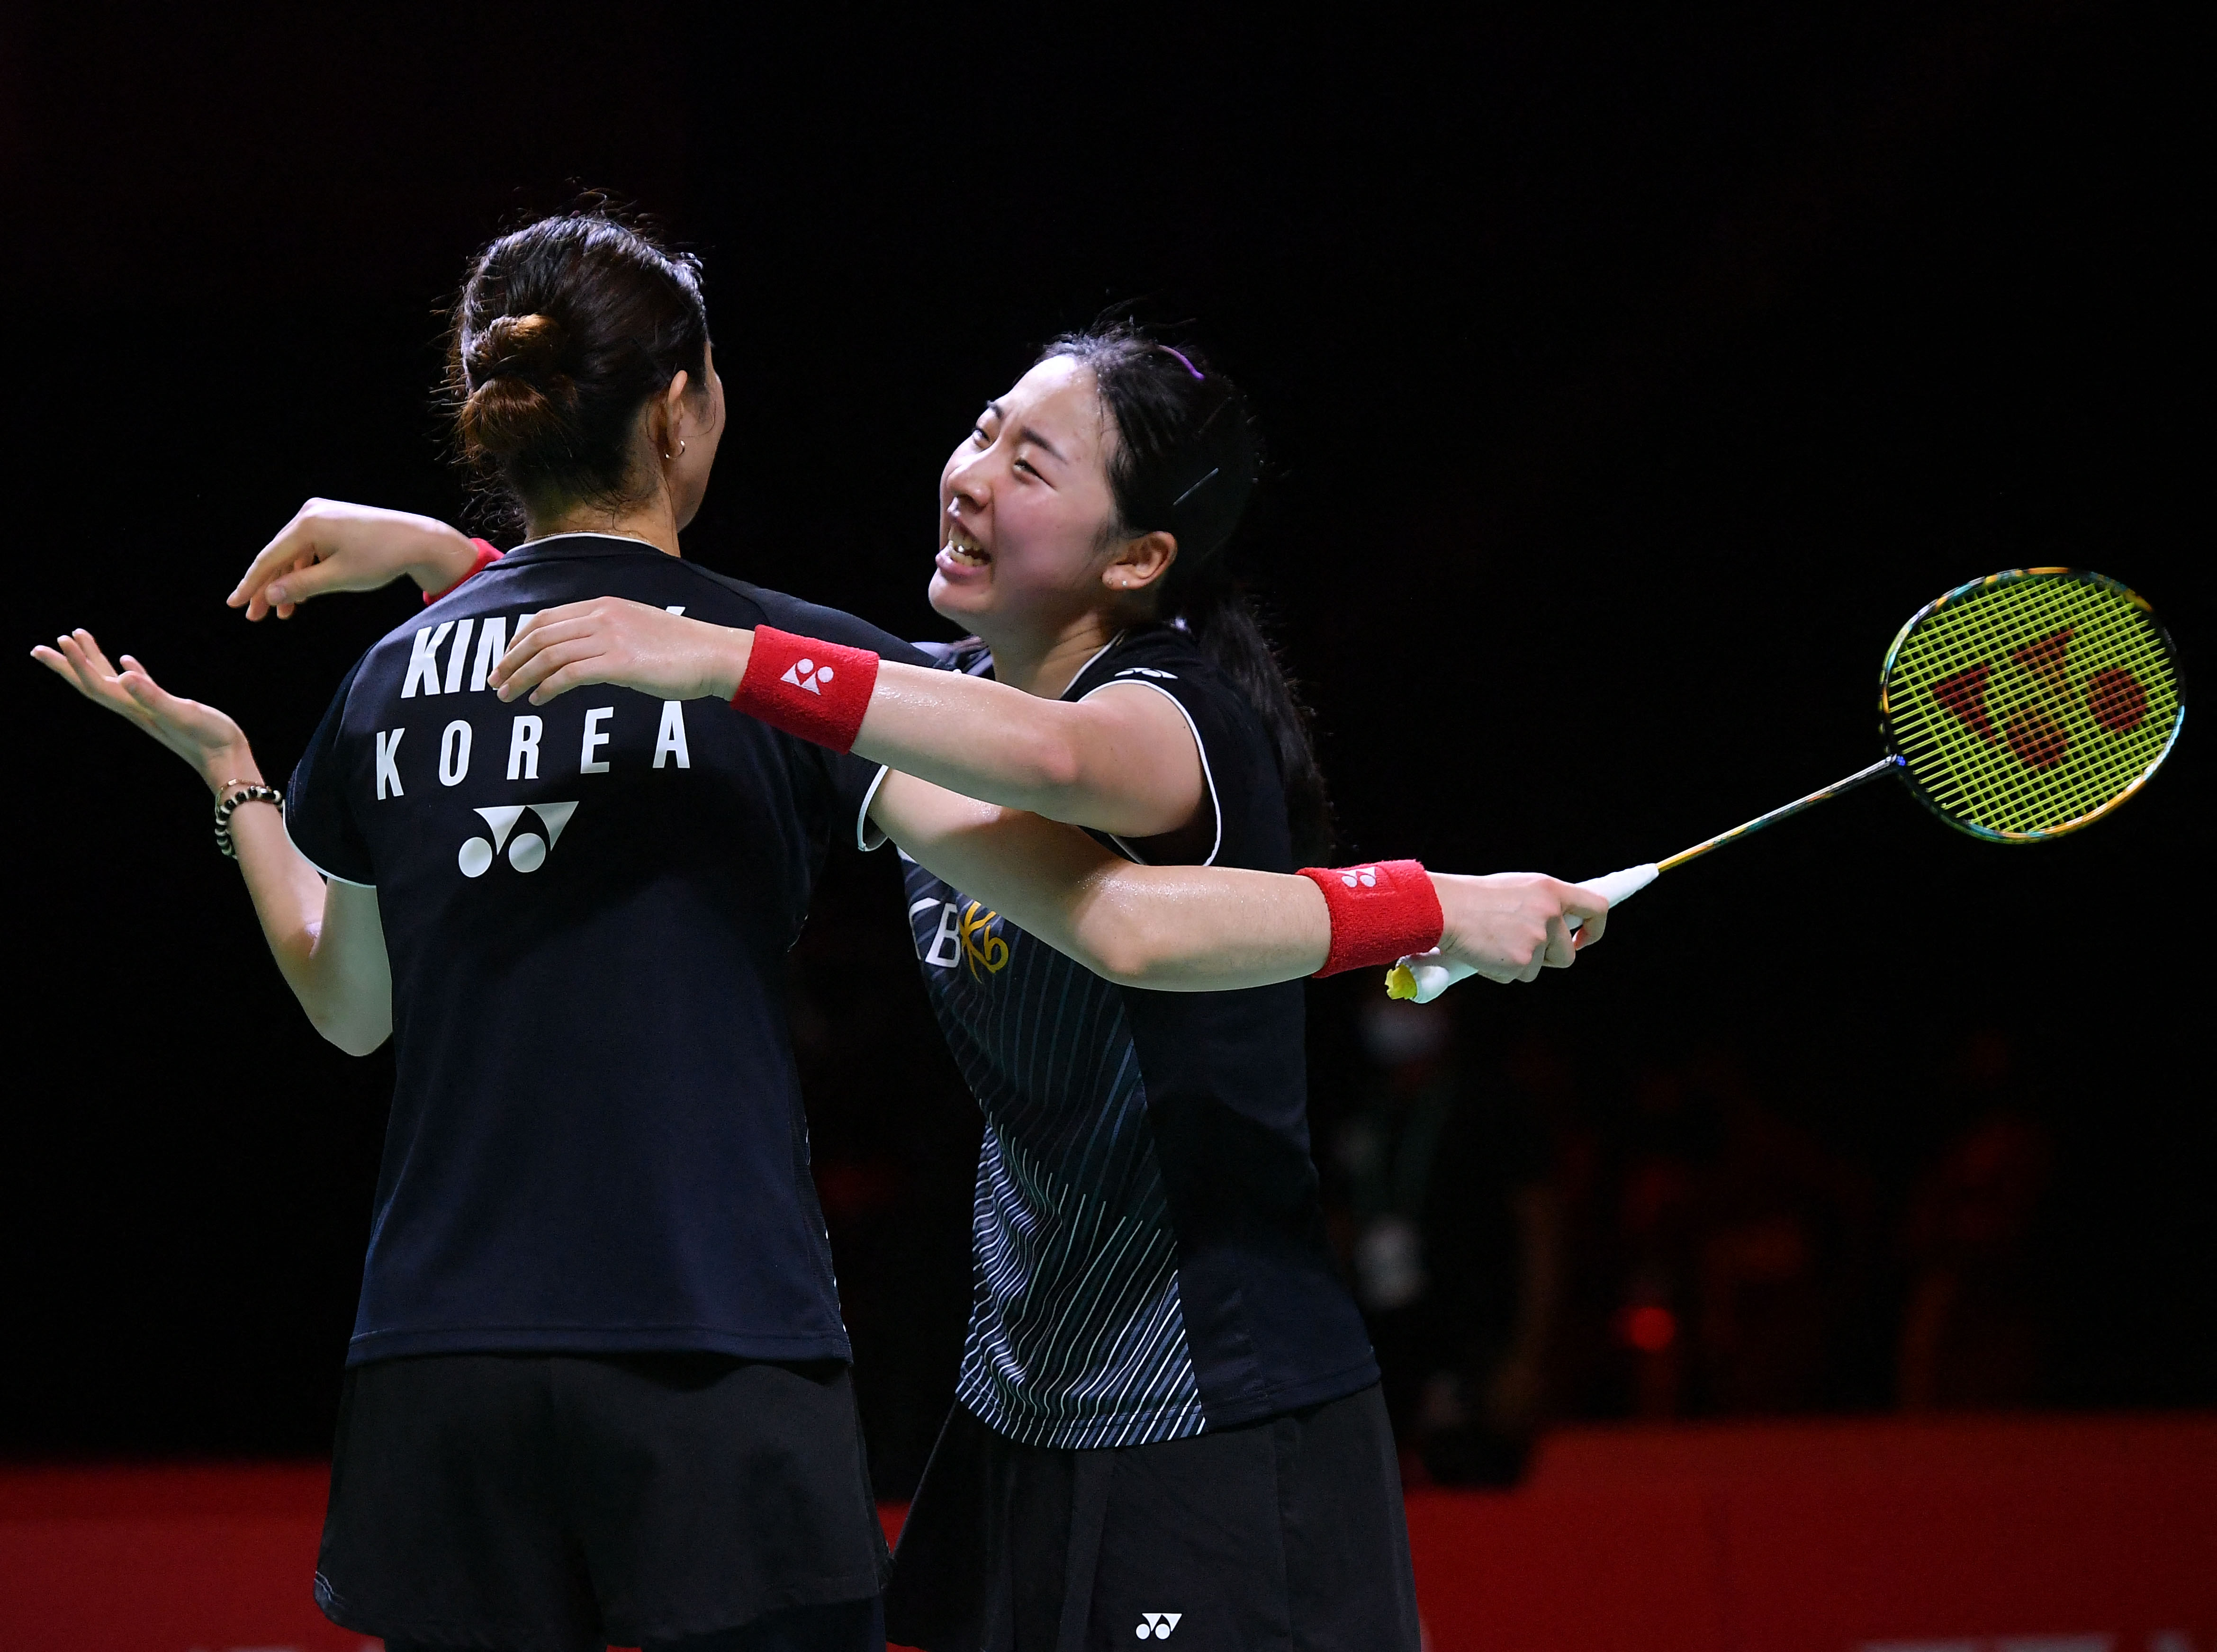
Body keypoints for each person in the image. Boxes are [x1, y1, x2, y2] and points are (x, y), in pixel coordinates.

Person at [44, 214, 1606, 1652]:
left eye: (1035, 460)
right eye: (985, 428)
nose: (975, 470)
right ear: (680, 413)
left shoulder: (1142, 716)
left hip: (1179, 1396)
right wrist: (475, 571)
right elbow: (696, 660)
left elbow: (1105, 894)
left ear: (1142, 559)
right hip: (901, 1387)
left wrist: (1438, 903)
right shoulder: (870, 706)